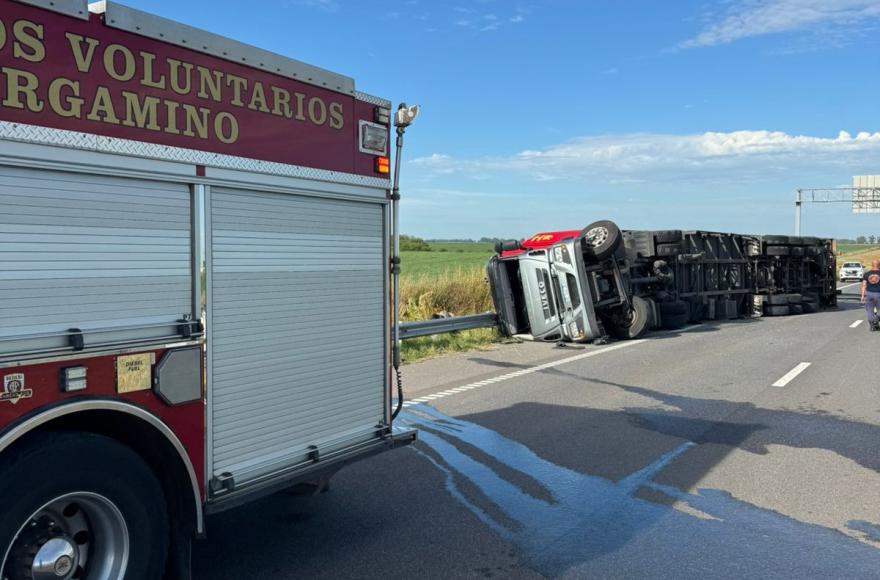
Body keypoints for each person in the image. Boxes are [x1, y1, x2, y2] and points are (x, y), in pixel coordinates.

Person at [860, 259, 880, 331]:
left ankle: (872, 326)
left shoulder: (866, 274)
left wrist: (862, 296)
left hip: (869, 294)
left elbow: (863, 285)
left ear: (872, 265)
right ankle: (876, 319)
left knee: (869, 311)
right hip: (879, 294)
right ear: (879, 265)